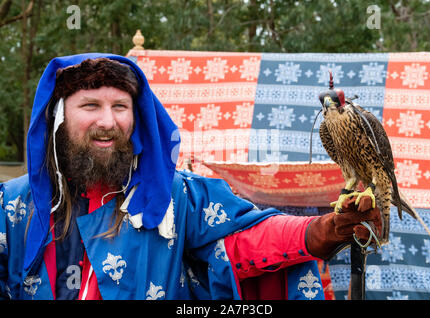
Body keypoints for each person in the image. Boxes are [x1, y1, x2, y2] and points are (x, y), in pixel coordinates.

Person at [0, 53, 382, 300]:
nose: (108, 121)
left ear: (136, 119)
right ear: (60, 118)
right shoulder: (12, 206)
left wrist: (321, 231)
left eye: (120, 106)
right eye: (90, 105)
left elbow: (241, 240)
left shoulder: (175, 196)